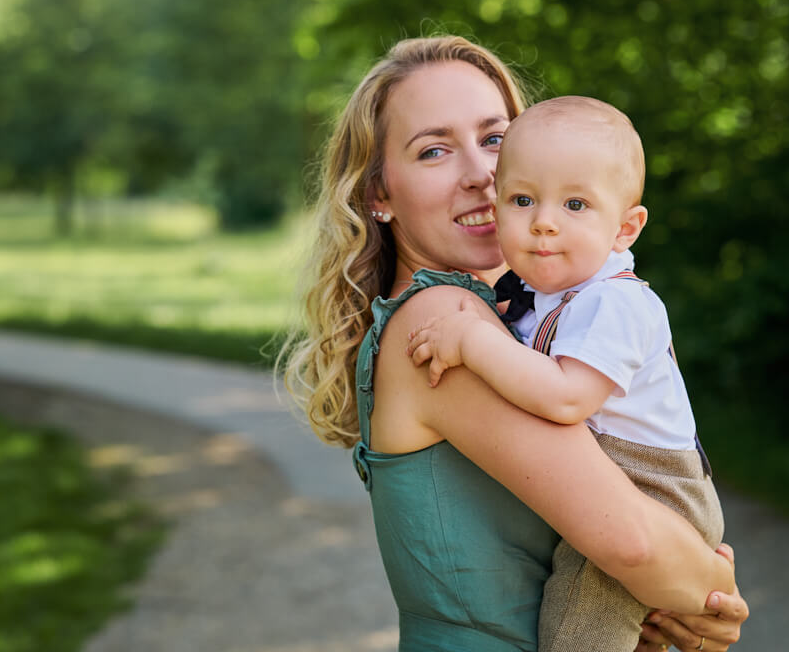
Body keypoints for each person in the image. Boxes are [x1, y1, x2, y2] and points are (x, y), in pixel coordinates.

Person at [280, 35, 748, 652]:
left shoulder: (512, 325)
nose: (482, 174)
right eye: (434, 151)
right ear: (379, 196)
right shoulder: (442, 320)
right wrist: (713, 589)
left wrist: (668, 593)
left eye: (494, 138)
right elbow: (632, 541)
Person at [406, 95, 724, 652]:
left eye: (575, 204)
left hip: (654, 484)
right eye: (523, 199)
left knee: (574, 631)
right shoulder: (549, 299)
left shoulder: (615, 303)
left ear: (626, 228)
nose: (544, 222)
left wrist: (474, 341)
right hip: (627, 488)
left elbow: (567, 398)